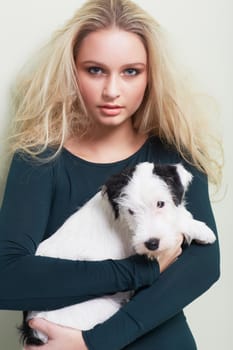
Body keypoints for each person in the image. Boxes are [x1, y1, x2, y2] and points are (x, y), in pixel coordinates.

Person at [0, 0, 222, 349]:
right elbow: (7, 278)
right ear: (72, 71)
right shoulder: (40, 159)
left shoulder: (174, 155)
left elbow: (204, 266)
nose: (112, 91)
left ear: (151, 76)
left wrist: (94, 342)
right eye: (95, 70)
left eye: (131, 71)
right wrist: (143, 270)